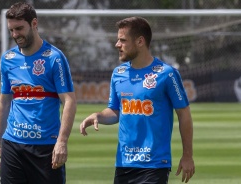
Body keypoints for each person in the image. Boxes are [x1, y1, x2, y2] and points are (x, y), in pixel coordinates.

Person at [80, 17, 195, 184]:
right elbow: (115, 111)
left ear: (140, 41)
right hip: (123, 164)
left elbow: (184, 115)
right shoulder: (118, 73)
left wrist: (187, 156)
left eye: (123, 40)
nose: (117, 44)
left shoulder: (167, 74)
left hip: (154, 166)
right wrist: (98, 116)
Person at [0, 2, 76, 184]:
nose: (15, 35)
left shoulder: (54, 57)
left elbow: (69, 101)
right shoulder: (7, 59)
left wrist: (62, 141)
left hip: (46, 148)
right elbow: (4, 102)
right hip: (12, 144)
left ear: (34, 24)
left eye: (19, 28)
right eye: (11, 30)